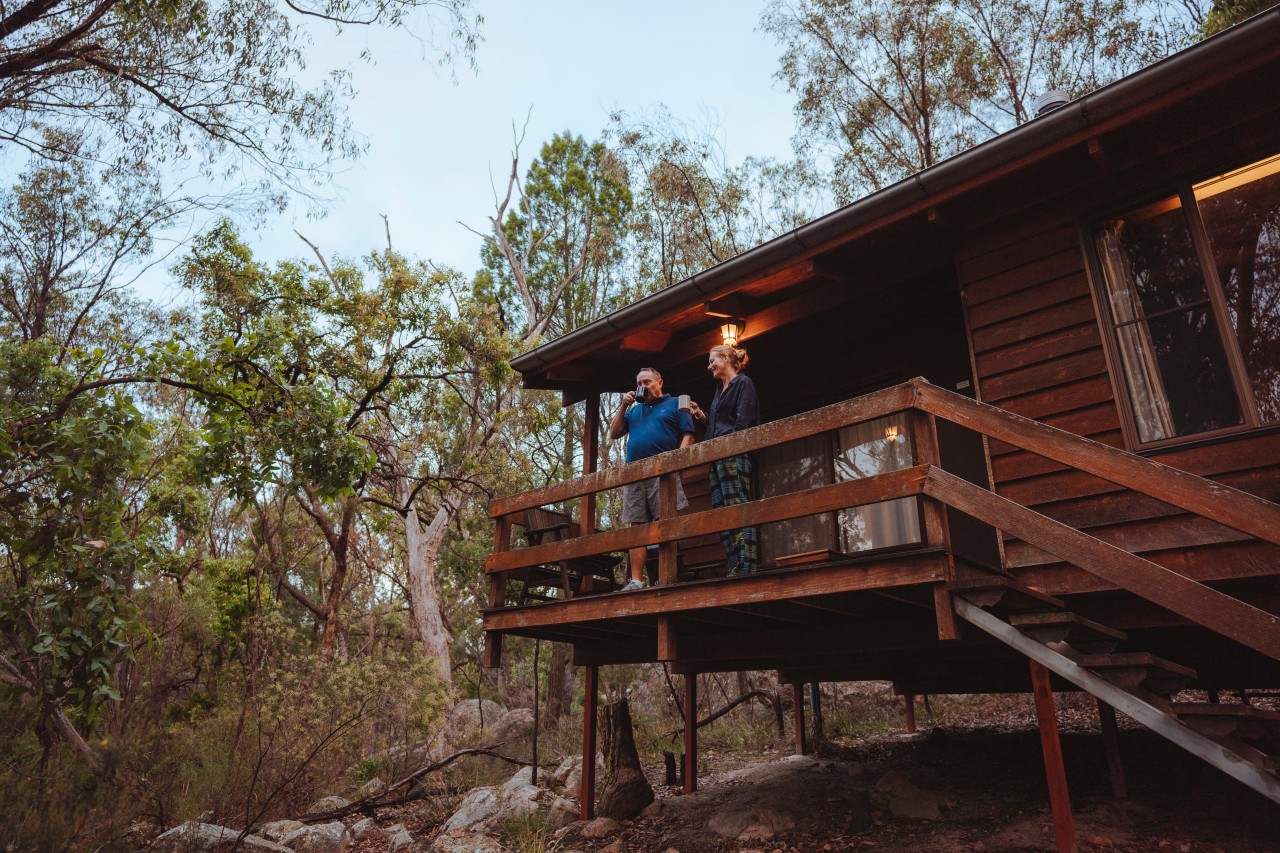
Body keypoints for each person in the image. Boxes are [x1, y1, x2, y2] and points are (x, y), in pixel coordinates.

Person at [609, 367, 695, 591]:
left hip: (663, 472)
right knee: (636, 526)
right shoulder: (634, 411)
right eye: (639, 383)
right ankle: (637, 580)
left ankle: (668, 575)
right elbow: (614, 433)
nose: (643, 387)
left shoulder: (678, 402)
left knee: (665, 522)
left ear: (660, 382)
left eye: (647, 382)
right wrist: (624, 405)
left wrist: (676, 464)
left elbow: (689, 434)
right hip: (634, 473)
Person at [687, 345, 760, 576]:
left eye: (712, 361)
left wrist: (733, 449)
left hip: (733, 455)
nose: (709, 366)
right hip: (716, 458)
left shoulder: (743, 383)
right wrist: (700, 415)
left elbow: (743, 421)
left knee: (737, 508)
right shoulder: (719, 391)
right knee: (722, 513)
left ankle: (745, 567)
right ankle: (734, 565)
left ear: (726, 358)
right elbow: (717, 425)